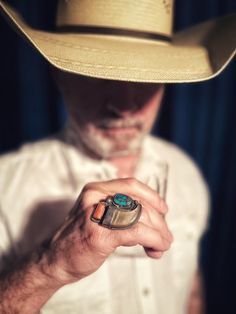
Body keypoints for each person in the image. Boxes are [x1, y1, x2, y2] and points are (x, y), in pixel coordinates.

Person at [0, 1, 235, 313]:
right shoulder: (6, 187)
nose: (125, 106)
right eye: (100, 73)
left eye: (147, 75)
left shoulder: (185, 171)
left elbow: (191, 292)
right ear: (59, 74)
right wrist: (47, 267)